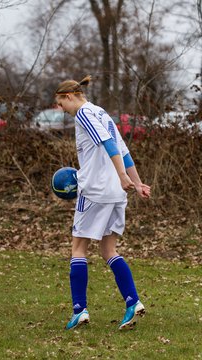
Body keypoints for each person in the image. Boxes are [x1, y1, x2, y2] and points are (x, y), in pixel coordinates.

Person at [55, 75, 151, 331]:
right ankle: (133, 302)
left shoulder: (84, 114)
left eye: (61, 104)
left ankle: (80, 310)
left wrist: (122, 176)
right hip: (117, 194)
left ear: (69, 97)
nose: (61, 110)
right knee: (109, 250)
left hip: (96, 190)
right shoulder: (102, 113)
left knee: (78, 247)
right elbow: (124, 150)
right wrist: (137, 183)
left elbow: (109, 144)